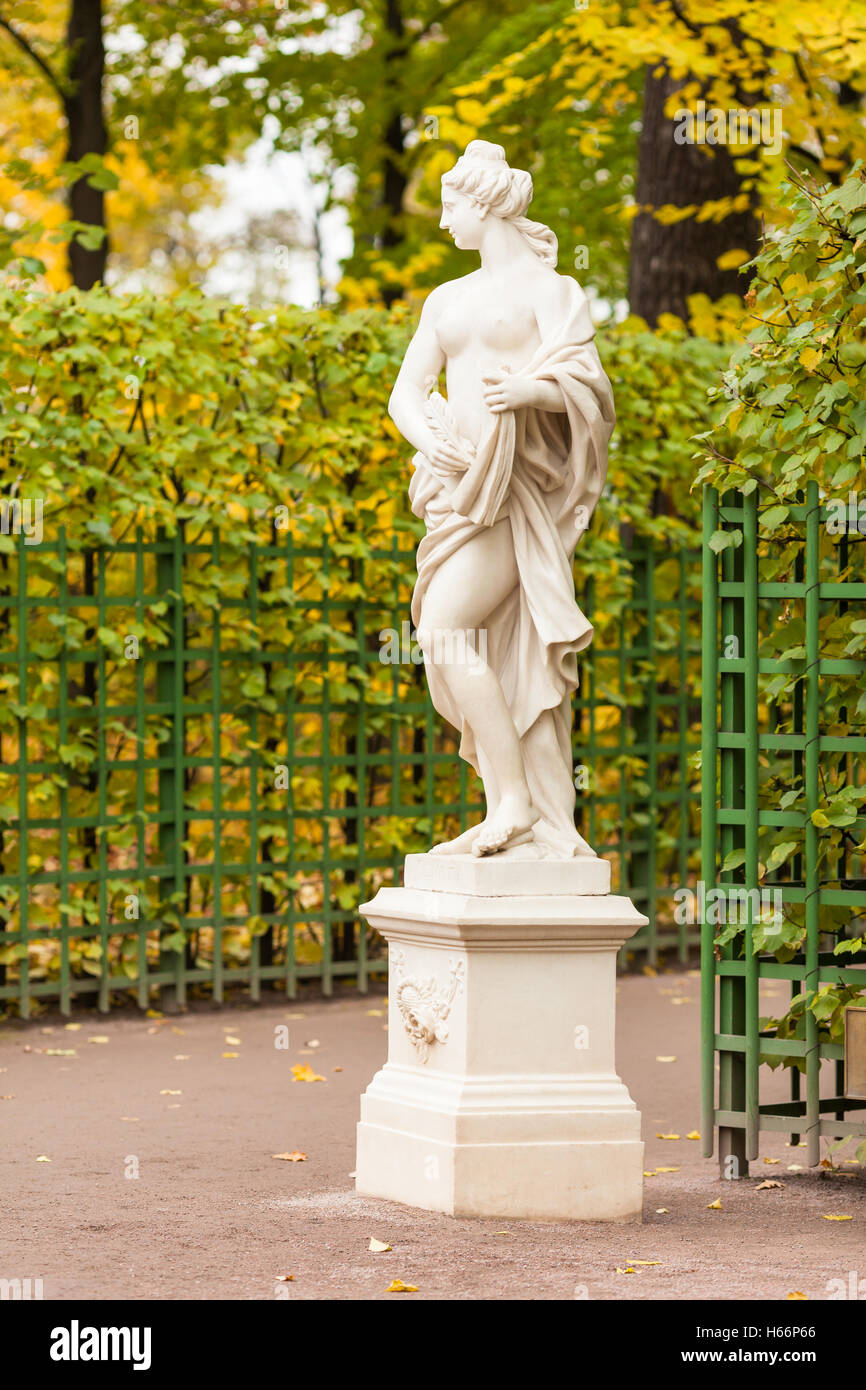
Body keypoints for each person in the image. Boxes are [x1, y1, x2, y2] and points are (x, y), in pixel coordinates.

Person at [387, 140, 615, 858]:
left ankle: (514, 803)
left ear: (483, 203)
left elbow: (591, 389)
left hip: (515, 498)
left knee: (445, 631)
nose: (444, 220)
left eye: (451, 205)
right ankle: (517, 808)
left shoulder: (554, 292)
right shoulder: (446, 299)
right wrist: (428, 438)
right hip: (457, 493)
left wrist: (529, 391)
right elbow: (405, 391)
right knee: (469, 641)